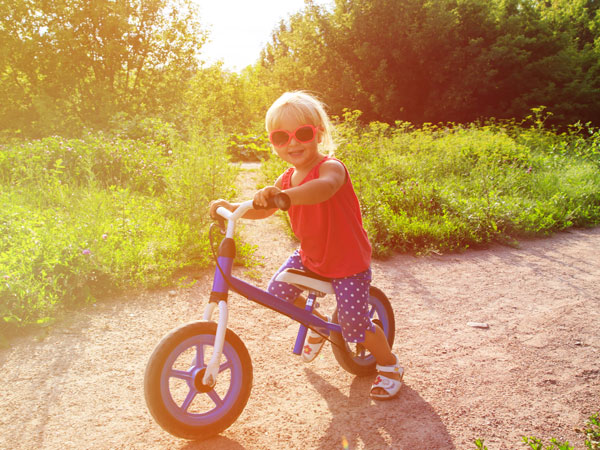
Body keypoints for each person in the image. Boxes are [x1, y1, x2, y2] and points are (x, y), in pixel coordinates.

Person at [210, 91, 403, 400]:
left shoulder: (331, 168)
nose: (293, 143)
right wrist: (233, 207)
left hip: (348, 261)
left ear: (319, 133)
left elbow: (322, 190)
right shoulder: (286, 179)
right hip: (311, 256)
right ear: (272, 143)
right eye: (281, 137)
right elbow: (267, 209)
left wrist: (286, 196)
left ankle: (390, 365)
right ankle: (323, 326)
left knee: (355, 323)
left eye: (302, 133)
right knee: (278, 294)